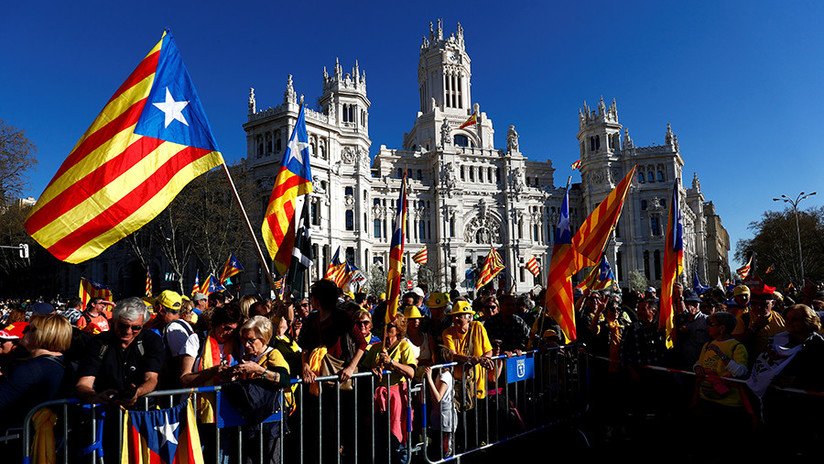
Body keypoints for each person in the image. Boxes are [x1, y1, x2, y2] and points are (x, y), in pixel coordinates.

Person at [231, 316, 291, 464]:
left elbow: (285, 379)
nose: (246, 344)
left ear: (264, 338)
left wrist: (259, 370)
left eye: (251, 340)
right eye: (244, 340)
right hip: (253, 418)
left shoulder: (273, 354)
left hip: (272, 420)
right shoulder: (248, 356)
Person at [692, 311, 751, 455]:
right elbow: (699, 363)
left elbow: (741, 372)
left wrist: (721, 355)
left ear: (722, 328)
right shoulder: (707, 344)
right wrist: (697, 367)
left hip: (728, 405)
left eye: (711, 324)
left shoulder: (737, 347)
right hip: (706, 399)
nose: (708, 328)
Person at [0, 314, 72, 431]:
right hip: (52, 437)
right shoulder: (67, 365)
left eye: (29, 328)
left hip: (17, 434)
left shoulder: (32, 369)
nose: (24, 331)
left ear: (42, 334)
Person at [362, 314, 417, 463]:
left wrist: (392, 363)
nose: (386, 329)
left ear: (398, 329)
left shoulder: (404, 346)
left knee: (397, 439)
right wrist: (372, 368)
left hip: (396, 399)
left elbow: (411, 372)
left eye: (390, 326)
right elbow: (364, 367)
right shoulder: (376, 348)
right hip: (378, 401)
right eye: (384, 326)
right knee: (379, 438)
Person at [423, 348, 457, 459]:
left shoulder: (445, 376)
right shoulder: (440, 373)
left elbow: (438, 397)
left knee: (446, 447)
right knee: (437, 445)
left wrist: (429, 379)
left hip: (446, 417)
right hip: (438, 415)